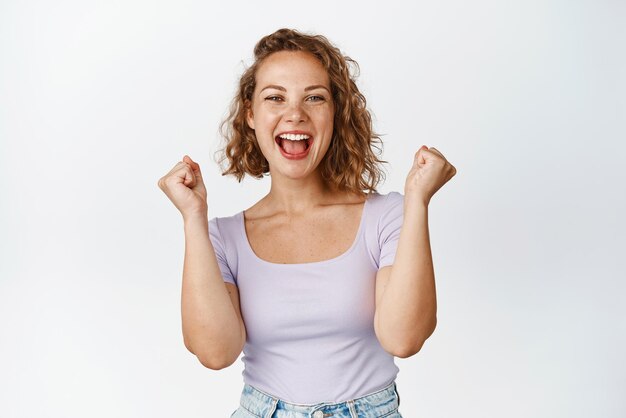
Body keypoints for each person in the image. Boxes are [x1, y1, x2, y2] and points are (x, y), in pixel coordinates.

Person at [158, 28, 456, 418]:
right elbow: (216, 353)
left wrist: (419, 200)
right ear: (250, 114)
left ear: (336, 111)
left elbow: (404, 338)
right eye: (275, 98)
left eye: (314, 97)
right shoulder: (222, 237)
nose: (294, 113)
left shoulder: (386, 216)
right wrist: (193, 218)